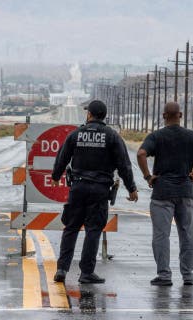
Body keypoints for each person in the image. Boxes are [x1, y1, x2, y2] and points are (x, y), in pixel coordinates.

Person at [51, 100, 138, 284]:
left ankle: (62, 269)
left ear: (89, 114)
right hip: (99, 190)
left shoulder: (76, 134)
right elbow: (124, 165)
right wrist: (131, 188)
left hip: (78, 187)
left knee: (71, 227)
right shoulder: (112, 136)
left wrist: (56, 175)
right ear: (103, 116)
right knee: (93, 230)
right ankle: (86, 272)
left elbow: (62, 157)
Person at [136, 102, 193, 286]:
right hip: (185, 191)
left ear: (164, 116)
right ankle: (188, 276)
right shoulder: (192, 136)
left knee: (161, 235)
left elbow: (141, 154)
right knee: (187, 234)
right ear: (180, 115)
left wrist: (148, 177)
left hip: (162, 192)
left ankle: (164, 275)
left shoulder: (156, 136)